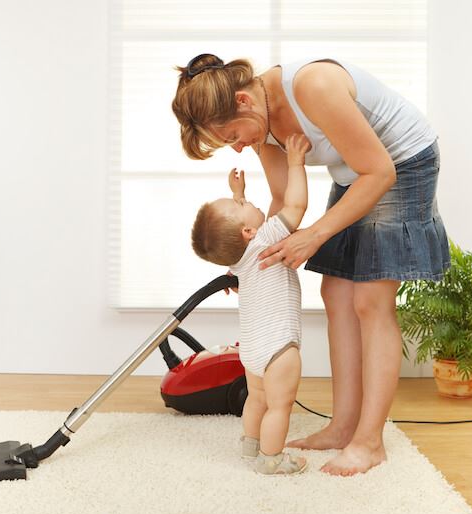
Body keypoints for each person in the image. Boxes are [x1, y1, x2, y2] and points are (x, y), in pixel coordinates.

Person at [173, 53, 449, 476]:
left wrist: (316, 234)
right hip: (355, 173)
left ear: (244, 101)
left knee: (370, 300)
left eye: (232, 136)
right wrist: (250, 266)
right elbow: (284, 205)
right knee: (335, 292)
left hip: (401, 164)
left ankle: (369, 441)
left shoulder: (313, 86)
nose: (240, 147)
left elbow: (379, 172)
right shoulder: (262, 129)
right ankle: (341, 427)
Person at [191, 134, 311, 475]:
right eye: (243, 206)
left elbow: (238, 229)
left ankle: (250, 445)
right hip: (279, 348)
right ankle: (273, 459)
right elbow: (296, 207)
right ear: (247, 231)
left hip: (254, 349)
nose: (249, 203)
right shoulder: (265, 239)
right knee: (280, 406)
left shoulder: (238, 260)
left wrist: (238, 196)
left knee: (257, 399)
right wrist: (295, 163)